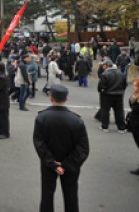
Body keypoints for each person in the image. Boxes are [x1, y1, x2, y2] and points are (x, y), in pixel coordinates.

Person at [33, 84, 89, 212]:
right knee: (71, 195)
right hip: (71, 165)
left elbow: (39, 143)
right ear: (66, 99)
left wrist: (52, 163)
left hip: (49, 165)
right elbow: (83, 148)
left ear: (51, 98)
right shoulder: (77, 121)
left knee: (47, 195)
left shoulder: (42, 118)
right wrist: (66, 164)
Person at [98, 60, 127, 133]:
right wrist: (121, 90)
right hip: (119, 94)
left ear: (107, 65)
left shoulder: (105, 74)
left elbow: (101, 85)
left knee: (105, 110)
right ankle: (121, 127)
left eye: (103, 65)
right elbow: (124, 85)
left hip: (107, 95)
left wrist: (101, 91)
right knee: (119, 111)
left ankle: (105, 126)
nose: (102, 66)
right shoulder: (121, 73)